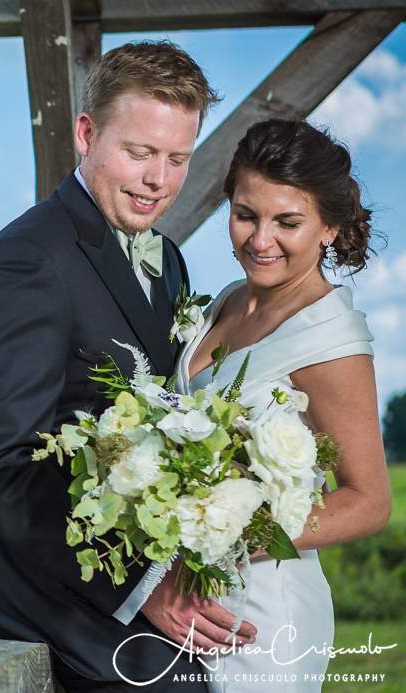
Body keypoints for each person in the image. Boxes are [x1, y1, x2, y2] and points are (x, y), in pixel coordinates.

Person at [0, 40, 256, 691]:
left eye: (176, 158)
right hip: (51, 591)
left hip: (141, 571)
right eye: (138, 153)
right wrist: (142, 585)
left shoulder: (165, 259)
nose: (157, 180)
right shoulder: (25, 259)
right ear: (85, 133)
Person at [174, 118, 391, 691]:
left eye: (287, 222)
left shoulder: (330, 340)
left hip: (264, 619)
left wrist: (221, 534)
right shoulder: (229, 301)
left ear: (329, 228)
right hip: (187, 601)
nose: (259, 239)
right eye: (246, 215)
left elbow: (368, 502)